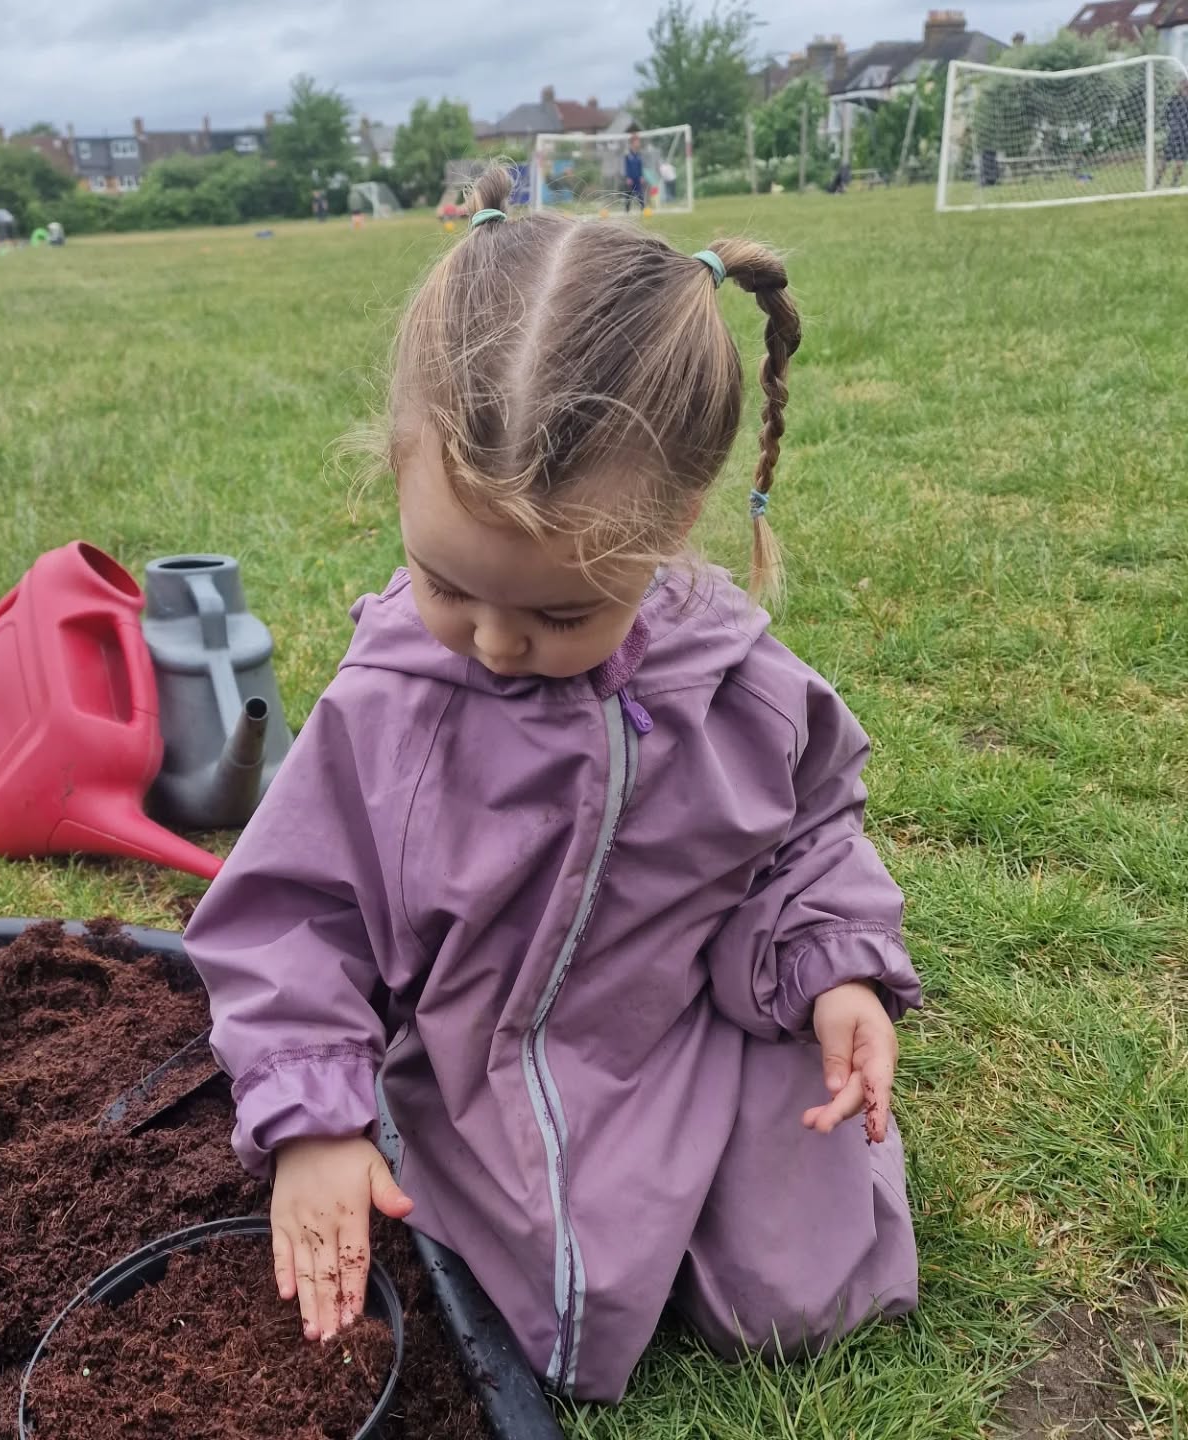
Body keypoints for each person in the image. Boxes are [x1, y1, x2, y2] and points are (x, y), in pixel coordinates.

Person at [184, 165, 921, 1404]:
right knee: (522, 1317)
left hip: (688, 1038)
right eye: (447, 583)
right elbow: (292, 921)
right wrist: (316, 1124)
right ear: (398, 476)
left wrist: (838, 968)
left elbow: (805, 837)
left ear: (674, 523)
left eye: (561, 609)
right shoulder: (391, 708)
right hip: (472, 1075)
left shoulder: (734, 680)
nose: (493, 641)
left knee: (809, 1301)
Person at [1158, 78, 1188, 189]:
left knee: (1179, 162)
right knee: (1164, 160)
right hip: (1175, 135)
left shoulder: (1177, 100)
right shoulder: (1174, 100)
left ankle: (1173, 184)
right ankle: (1157, 183)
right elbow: (1166, 115)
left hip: (1184, 136)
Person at [623, 131, 645, 211]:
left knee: (640, 194)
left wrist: (641, 176)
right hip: (630, 178)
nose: (638, 143)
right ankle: (627, 210)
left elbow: (640, 166)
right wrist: (628, 177)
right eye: (637, 142)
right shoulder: (627, 154)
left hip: (637, 178)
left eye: (639, 141)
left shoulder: (639, 154)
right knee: (628, 195)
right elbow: (626, 166)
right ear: (632, 143)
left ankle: (643, 209)